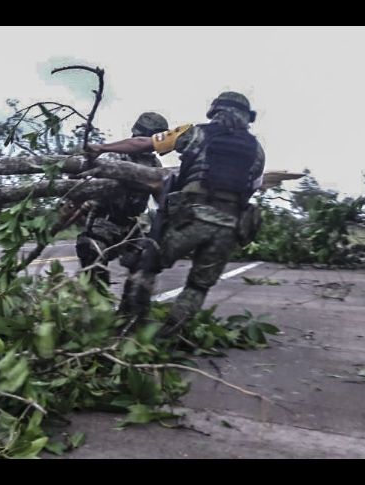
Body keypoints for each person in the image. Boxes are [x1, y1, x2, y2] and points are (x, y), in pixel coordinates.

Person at [86, 92, 265, 336]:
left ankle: (130, 323)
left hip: (193, 217)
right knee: (198, 286)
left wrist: (101, 147)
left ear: (215, 112)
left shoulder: (195, 132)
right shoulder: (257, 150)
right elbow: (251, 188)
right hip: (230, 226)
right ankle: (171, 334)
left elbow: (143, 143)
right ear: (246, 118)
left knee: (144, 263)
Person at [75, 112, 169, 287]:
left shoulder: (155, 164)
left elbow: (159, 197)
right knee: (91, 249)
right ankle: (98, 301)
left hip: (131, 225)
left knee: (146, 259)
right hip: (105, 220)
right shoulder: (119, 154)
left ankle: (130, 309)